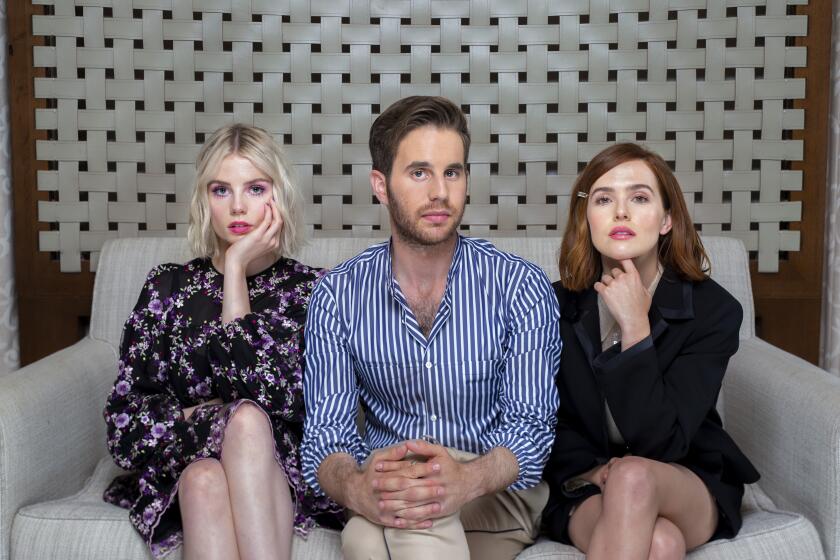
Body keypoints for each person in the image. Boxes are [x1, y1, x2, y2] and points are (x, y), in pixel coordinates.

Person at [300, 96, 562, 559]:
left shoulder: (520, 286)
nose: (439, 191)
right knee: (367, 534)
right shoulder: (337, 296)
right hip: (395, 484)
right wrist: (356, 488)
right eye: (419, 173)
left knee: (402, 520)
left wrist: (464, 479)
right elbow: (328, 435)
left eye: (453, 172)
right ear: (380, 185)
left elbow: (531, 428)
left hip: (496, 490)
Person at [103, 123, 343, 559]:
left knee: (243, 426)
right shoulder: (167, 288)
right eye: (220, 190)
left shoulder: (313, 292)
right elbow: (125, 428)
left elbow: (295, 404)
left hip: (277, 471)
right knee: (202, 475)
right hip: (186, 465)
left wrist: (234, 271)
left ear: (279, 195)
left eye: (254, 188)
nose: (237, 206)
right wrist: (215, 418)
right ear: (203, 199)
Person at [541, 143, 760, 559]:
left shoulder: (713, 312)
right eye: (604, 199)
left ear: (666, 220)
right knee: (661, 544)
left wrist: (636, 330)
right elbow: (544, 417)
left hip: (684, 478)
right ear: (587, 218)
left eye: (639, 198)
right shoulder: (552, 307)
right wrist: (592, 470)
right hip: (587, 482)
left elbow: (666, 443)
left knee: (636, 475)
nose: (620, 212)